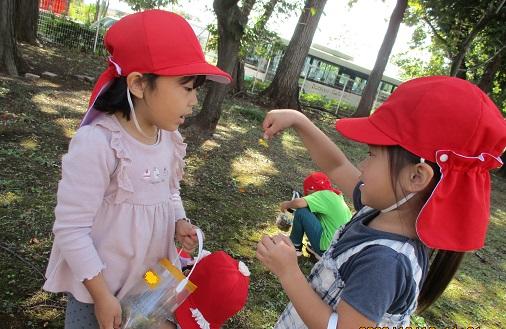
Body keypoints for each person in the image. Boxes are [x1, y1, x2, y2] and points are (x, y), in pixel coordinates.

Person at [256, 76, 506, 329]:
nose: (362, 165)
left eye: (372, 155)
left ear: (416, 177)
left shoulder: (385, 261)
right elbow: (337, 165)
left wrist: (288, 272)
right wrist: (299, 121)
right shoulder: (379, 210)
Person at [43, 10, 231, 329]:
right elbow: (71, 229)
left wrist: (179, 220)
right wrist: (102, 297)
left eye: (196, 89)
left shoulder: (169, 138)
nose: (194, 101)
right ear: (139, 84)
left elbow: (170, 191)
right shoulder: (99, 144)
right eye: (186, 87)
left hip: (147, 281)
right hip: (98, 292)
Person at [279, 172, 352, 258]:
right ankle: (316, 249)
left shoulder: (322, 194)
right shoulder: (336, 196)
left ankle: (295, 247)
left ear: (313, 189)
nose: (306, 195)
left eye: (307, 193)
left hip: (327, 249)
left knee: (301, 212)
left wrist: (286, 204)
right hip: (340, 250)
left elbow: (299, 203)